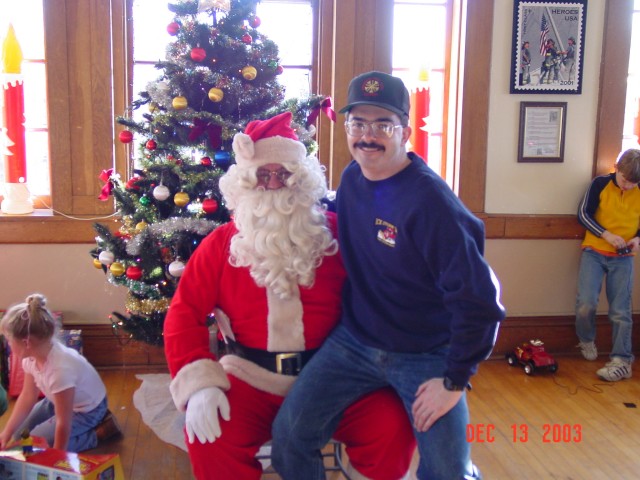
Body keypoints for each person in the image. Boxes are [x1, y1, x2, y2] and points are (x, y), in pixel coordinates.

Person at [271, 72, 505, 480]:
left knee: (450, 472)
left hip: (426, 354)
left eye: (382, 125)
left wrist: (453, 381)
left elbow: (481, 302)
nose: (368, 136)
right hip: (353, 343)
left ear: (405, 131)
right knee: (290, 438)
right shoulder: (352, 179)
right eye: (358, 123)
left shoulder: (433, 205)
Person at [163, 111, 416, 480]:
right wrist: (199, 385)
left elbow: (385, 291)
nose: (274, 184)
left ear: (303, 180)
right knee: (210, 439)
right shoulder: (220, 246)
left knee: (390, 424)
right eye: (263, 175)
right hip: (251, 378)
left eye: (284, 174)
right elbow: (183, 314)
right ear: (246, 183)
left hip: (334, 375)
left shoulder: (338, 233)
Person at [0, 294, 121, 452]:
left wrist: (56, 456)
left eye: (9, 340)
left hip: (88, 410)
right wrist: (6, 433)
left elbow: (64, 423)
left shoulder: (60, 371)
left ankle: (98, 434)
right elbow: (28, 395)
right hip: (57, 400)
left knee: (36, 446)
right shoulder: (30, 358)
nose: (8, 344)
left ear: (26, 342)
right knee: (19, 436)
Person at [575, 149, 640, 381]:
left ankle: (622, 359)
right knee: (586, 302)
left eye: (633, 184)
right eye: (624, 180)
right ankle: (586, 339)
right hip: (594, 251)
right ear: (616, 168)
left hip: (623, 258)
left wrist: (637, 238)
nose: (627, 186)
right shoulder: (600, 184)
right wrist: (606, 235)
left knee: (621, 310)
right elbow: (582, 214)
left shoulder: (638, 188)